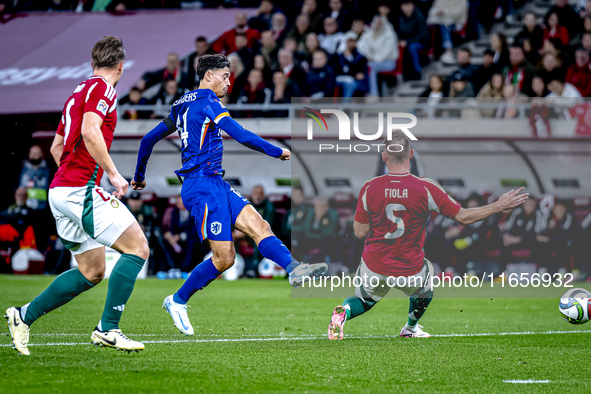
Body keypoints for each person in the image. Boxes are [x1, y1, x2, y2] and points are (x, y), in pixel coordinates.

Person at [132, 54, 328, 336]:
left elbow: (148, 139)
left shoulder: (180, 105)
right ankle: (177, 300)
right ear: (209, 75)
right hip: (201, 187)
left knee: (260, 226)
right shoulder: (209, 102)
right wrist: (276, 151)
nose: (229, 82)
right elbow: (239, 133)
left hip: (216, 183)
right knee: (225, 259)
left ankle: (295, 269)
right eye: (225, 76)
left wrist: (139, 176)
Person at [4, 37, 149, 355]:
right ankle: (108, 329)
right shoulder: (105, 89)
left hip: (60, 190)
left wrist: (71, 181)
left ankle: (23, 317)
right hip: (78, 189)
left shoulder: (76, 93)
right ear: (121, 67)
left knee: (92, 270)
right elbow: (90, 131)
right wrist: (111, 173)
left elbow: (57, 147)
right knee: (138, 247)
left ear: (92, 62)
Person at [327, 130, 529, 340]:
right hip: (409, 267)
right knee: (426, 284)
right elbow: (463, 217)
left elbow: (359, 232)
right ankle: (411, 328)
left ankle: (344, 312)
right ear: (411, 155)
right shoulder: (426, 188)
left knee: (364, 299)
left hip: (375, 264)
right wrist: (499, 205)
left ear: (384, 156)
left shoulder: (369, 187)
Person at [357, 15, 399, 97]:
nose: (377, 26)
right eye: (375, 23)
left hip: (388, 62)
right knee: (366, 66)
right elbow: (361, 46)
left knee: (371, 67)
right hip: (375, 61)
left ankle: (373, 93)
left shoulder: (389, 35)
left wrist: (373, 59)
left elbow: (386, 53)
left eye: (380, 24)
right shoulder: (371, 34)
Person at [427, 0, 469, 65]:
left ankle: (448, 51)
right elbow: (432, 11)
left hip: (456, 22)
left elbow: (458, 12)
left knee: (445, 24)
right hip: (440, 19)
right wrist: (437, 13)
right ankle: (430, 51)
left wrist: (445, 12)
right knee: (429, 24)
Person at [397, 0, 430, 80]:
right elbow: (399, 33)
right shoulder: (400, 18)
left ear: (412, 5)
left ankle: (417, 71)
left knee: (412, 47)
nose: (407, 7)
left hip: (421, 42)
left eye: (408, 5)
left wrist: (407, 42)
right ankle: (401, 74)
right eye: (404, 5)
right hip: (407, 41)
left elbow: (423, 35)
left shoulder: (419, 17)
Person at [19, 145, 50, 210]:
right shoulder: (24, 170)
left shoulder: (48, 170)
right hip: (25, 210)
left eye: (36, 153)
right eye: (32, 153)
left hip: (44, 209)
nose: (33, 156)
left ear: (42, 155)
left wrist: (29, 193)